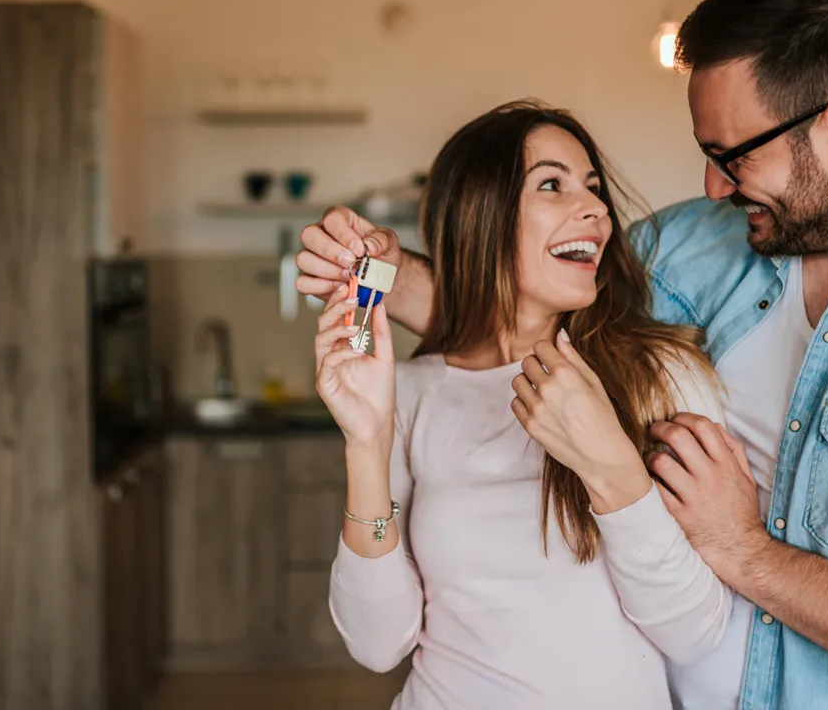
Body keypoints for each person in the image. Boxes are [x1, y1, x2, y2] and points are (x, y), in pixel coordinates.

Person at [297, 0, 828, 710]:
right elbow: (522, 306)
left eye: (732, 157)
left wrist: (745, 551)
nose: (714, 187)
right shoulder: (701, 245)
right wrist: (379, 271)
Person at [311, 101, 738, 710]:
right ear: (481, 217)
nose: (595, 210)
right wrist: (367, 443)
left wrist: (614, 470)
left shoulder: (662, 375)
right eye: (552, 185)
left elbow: (696, 633)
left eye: (593, 188)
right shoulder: (413, 391)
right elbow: (377, 643)